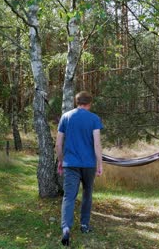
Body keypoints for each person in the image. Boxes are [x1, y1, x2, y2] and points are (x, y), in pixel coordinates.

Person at [55, 91, 103, 246]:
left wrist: (60, 161)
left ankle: (66, 228)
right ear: (89, 103)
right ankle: (84, 225)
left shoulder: (66, 117)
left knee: (69, 196)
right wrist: (100, 164)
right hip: (89, 164)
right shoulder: (94, 119)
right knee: (87, 194)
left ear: (77, 102)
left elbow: (58, 144)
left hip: (70, 164)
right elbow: (97, 144)